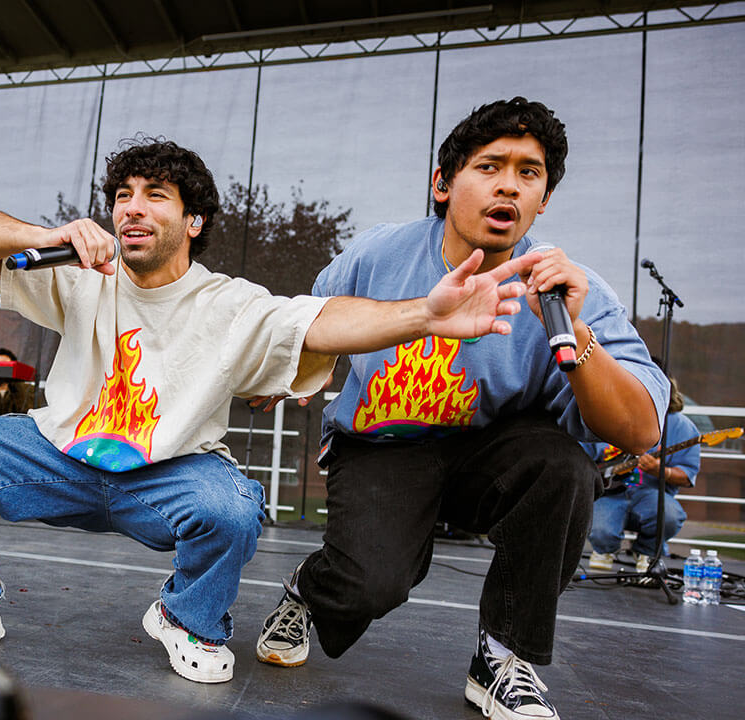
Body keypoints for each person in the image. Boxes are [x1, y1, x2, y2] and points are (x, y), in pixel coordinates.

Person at [0, 138, 544, 684]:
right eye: (122, 196)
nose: (132, 209)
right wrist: (46, 231)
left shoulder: (229, 302)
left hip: (166, 476)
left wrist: (425, 313)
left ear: (192, 222)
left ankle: (186, 618)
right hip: (61, 460)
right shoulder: (77, 276)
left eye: (155, 196)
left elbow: (325, 321)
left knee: (233, 505)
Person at [253, 97, 668, 718]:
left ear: (543, 199)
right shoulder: (381, 254)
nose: (509, 185)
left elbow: (638, 429)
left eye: (529, 173)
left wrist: (575, 334)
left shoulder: (571, 290)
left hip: (492, 451)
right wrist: (285, 376)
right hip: (385, 445)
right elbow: (307, 324)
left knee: (564, 467)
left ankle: (503, 657)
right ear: (443, 185)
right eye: (490, 166)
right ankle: (308, 593)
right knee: (372, 584)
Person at [586, 378, 700, 573]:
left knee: (670, 515)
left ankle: (646, 550)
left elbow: (687, 475)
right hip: (609, 495)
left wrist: (660, 470)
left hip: (650, 494)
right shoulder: (605, 416)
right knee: (600, 531)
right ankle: (605, 548)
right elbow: (583, 455)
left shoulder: (682, 427)